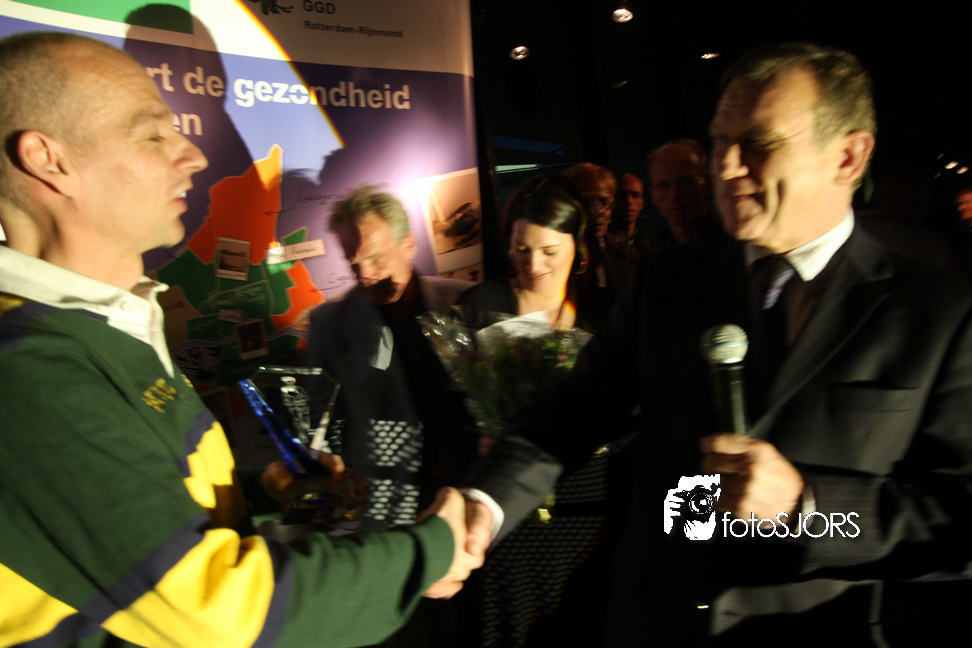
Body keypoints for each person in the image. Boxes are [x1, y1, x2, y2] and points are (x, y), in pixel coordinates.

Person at [461, 42, 972, 645]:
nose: (725, 168)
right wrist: (483, 505)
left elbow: (955, 517)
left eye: (758, 142)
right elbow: (570, 413)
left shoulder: (935, 313)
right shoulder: (668, 281)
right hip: (655, 622)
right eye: (720, 142)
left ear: (848, 156)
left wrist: (811, 508)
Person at [0, 31, 477, 648]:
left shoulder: (107, 324)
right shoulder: (30, 367)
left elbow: (124, 525)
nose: (193, 156)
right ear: (49, 160)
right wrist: (433, 550)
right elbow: (216, 609)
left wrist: (263, 491)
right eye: (153, 136)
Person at [304, 185, 479, 534]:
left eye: (376, 258)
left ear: (408, 244)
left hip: (470, 487)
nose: (364, 274)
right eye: (353, 263)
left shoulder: (465, 301)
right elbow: (316, 418)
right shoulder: (328, 324)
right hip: (383, 507)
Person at [562, 162, 639, 299]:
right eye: (587, 202)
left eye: (604, 202)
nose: (597, 211)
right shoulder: (556, 258)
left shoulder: (627, 255)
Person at [645, 138, 722, 247]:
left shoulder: (737, 245)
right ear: (653, 195)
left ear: (707, 184)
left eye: (685, 182)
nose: (675, 195)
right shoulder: (652, 251)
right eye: (664, 186)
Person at [611, 172, 646, 245]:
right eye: (622, 195)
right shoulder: (601, 241)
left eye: (635, 195)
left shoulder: (649, 243)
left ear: (641, 203)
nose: (629, 201)